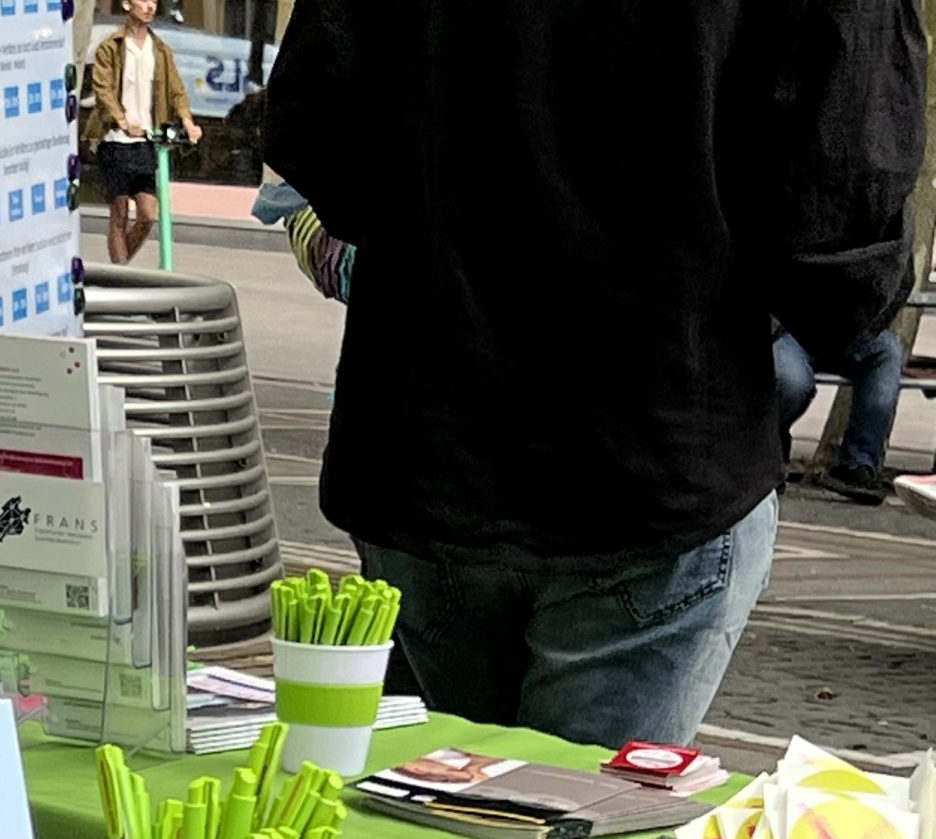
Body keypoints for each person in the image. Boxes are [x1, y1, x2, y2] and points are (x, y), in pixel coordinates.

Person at [267, 0, 925, 751]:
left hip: (429, 444)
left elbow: (316, 132)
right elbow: (842, 242)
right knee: (581, 820)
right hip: (653, 461)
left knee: (437, 808)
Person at [83, 0, 197, 266]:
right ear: (126, 4)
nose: (150, 7)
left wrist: (188, 122)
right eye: (143, 1)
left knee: (147, 214)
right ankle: (121, 274)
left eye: (154, 2)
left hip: (145, 141)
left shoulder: (160, 50)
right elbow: (103, 89)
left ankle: (118, 271)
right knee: (120, 213)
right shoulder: (111, 47)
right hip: (114, 141)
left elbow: (177, 91)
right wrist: (122, 120)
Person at [777, 316, 911, 504]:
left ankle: (857, 463)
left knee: (887, 351)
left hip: (851, 330)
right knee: (792, 383)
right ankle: (771, 445)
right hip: (789, 330)